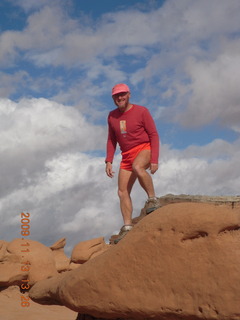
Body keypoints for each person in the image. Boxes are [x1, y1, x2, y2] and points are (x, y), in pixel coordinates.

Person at [105, 83, 160, 243]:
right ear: (113, 98)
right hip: (126, 155)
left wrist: (154, 159)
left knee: (138, 167)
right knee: (122, 191)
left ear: (129, 95)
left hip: (144, 148)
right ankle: (127, 226)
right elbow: (111, 139)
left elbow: (154, 135)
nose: (119, 98)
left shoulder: (142, 111)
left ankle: (152, 199)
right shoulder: (112, 116)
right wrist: (109, 160)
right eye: (116, 96)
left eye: (122, 95)